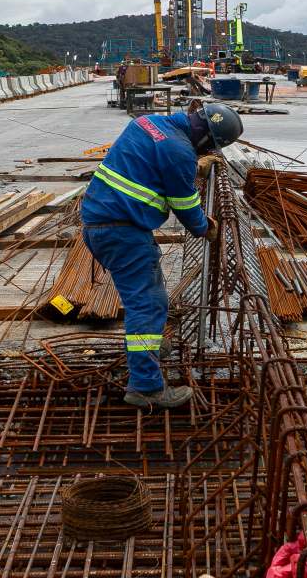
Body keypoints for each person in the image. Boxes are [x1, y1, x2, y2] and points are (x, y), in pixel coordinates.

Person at [81, 102, 244, 409]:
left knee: (148, 299)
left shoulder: (148, 122)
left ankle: (149, 348)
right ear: (207, 140)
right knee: (146, 304)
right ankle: (145, 387)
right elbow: (186, 207)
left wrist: (191, 167)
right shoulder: (179, 152)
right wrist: (205, 227)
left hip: (102, 224)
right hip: (122, 233)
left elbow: (154, 162)